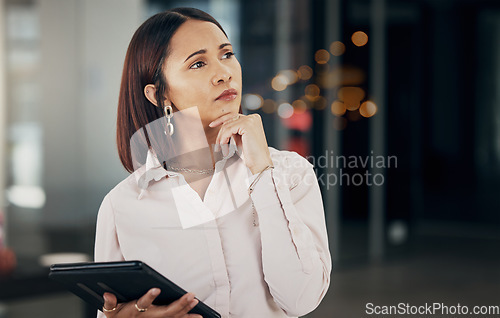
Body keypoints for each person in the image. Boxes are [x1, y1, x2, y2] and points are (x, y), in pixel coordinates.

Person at [94, 7, 331, 318]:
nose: (224, 73)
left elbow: (301, 299)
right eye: (198, 63)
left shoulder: (290, 173)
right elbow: (113, 310)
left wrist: (262, 173)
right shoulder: (121, 206)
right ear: (158, 94)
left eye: (227, 54)